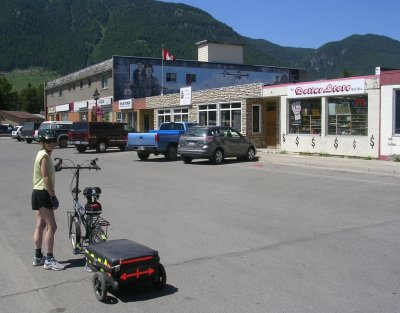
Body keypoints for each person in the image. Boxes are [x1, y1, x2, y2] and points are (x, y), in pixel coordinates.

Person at [31, 132, 65, 271]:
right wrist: (53, 196)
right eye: (48, 141)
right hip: (43, 193)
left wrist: (55, 169)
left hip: (37, 192)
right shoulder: (44, 156)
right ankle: (49, 260)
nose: (51, 143)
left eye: (53, 141)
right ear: (42, 142)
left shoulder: (43, 154)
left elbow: (43, 174)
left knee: (40, 225)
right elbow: (45, 178)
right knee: (52, 227)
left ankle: (38, 257)